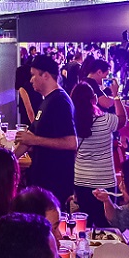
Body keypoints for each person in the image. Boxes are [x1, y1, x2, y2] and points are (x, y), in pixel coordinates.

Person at [14, 55, 77, 207]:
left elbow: (71, 143)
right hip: (42, 179)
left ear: (46, 75)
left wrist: (34, 141)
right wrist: (10, 158)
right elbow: (30, 136)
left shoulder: (60, 101)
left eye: (33, 75)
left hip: (55, 181)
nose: (31, 80)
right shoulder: (47, 100)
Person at [70, 83, 123, 226]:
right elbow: (122, 119)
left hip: (81, 180)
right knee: (106, 224)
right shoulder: (106, 120)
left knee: (84, 225)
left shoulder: (72, 124)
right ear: (94, 99)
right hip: (105, 181)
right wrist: (116, 95)